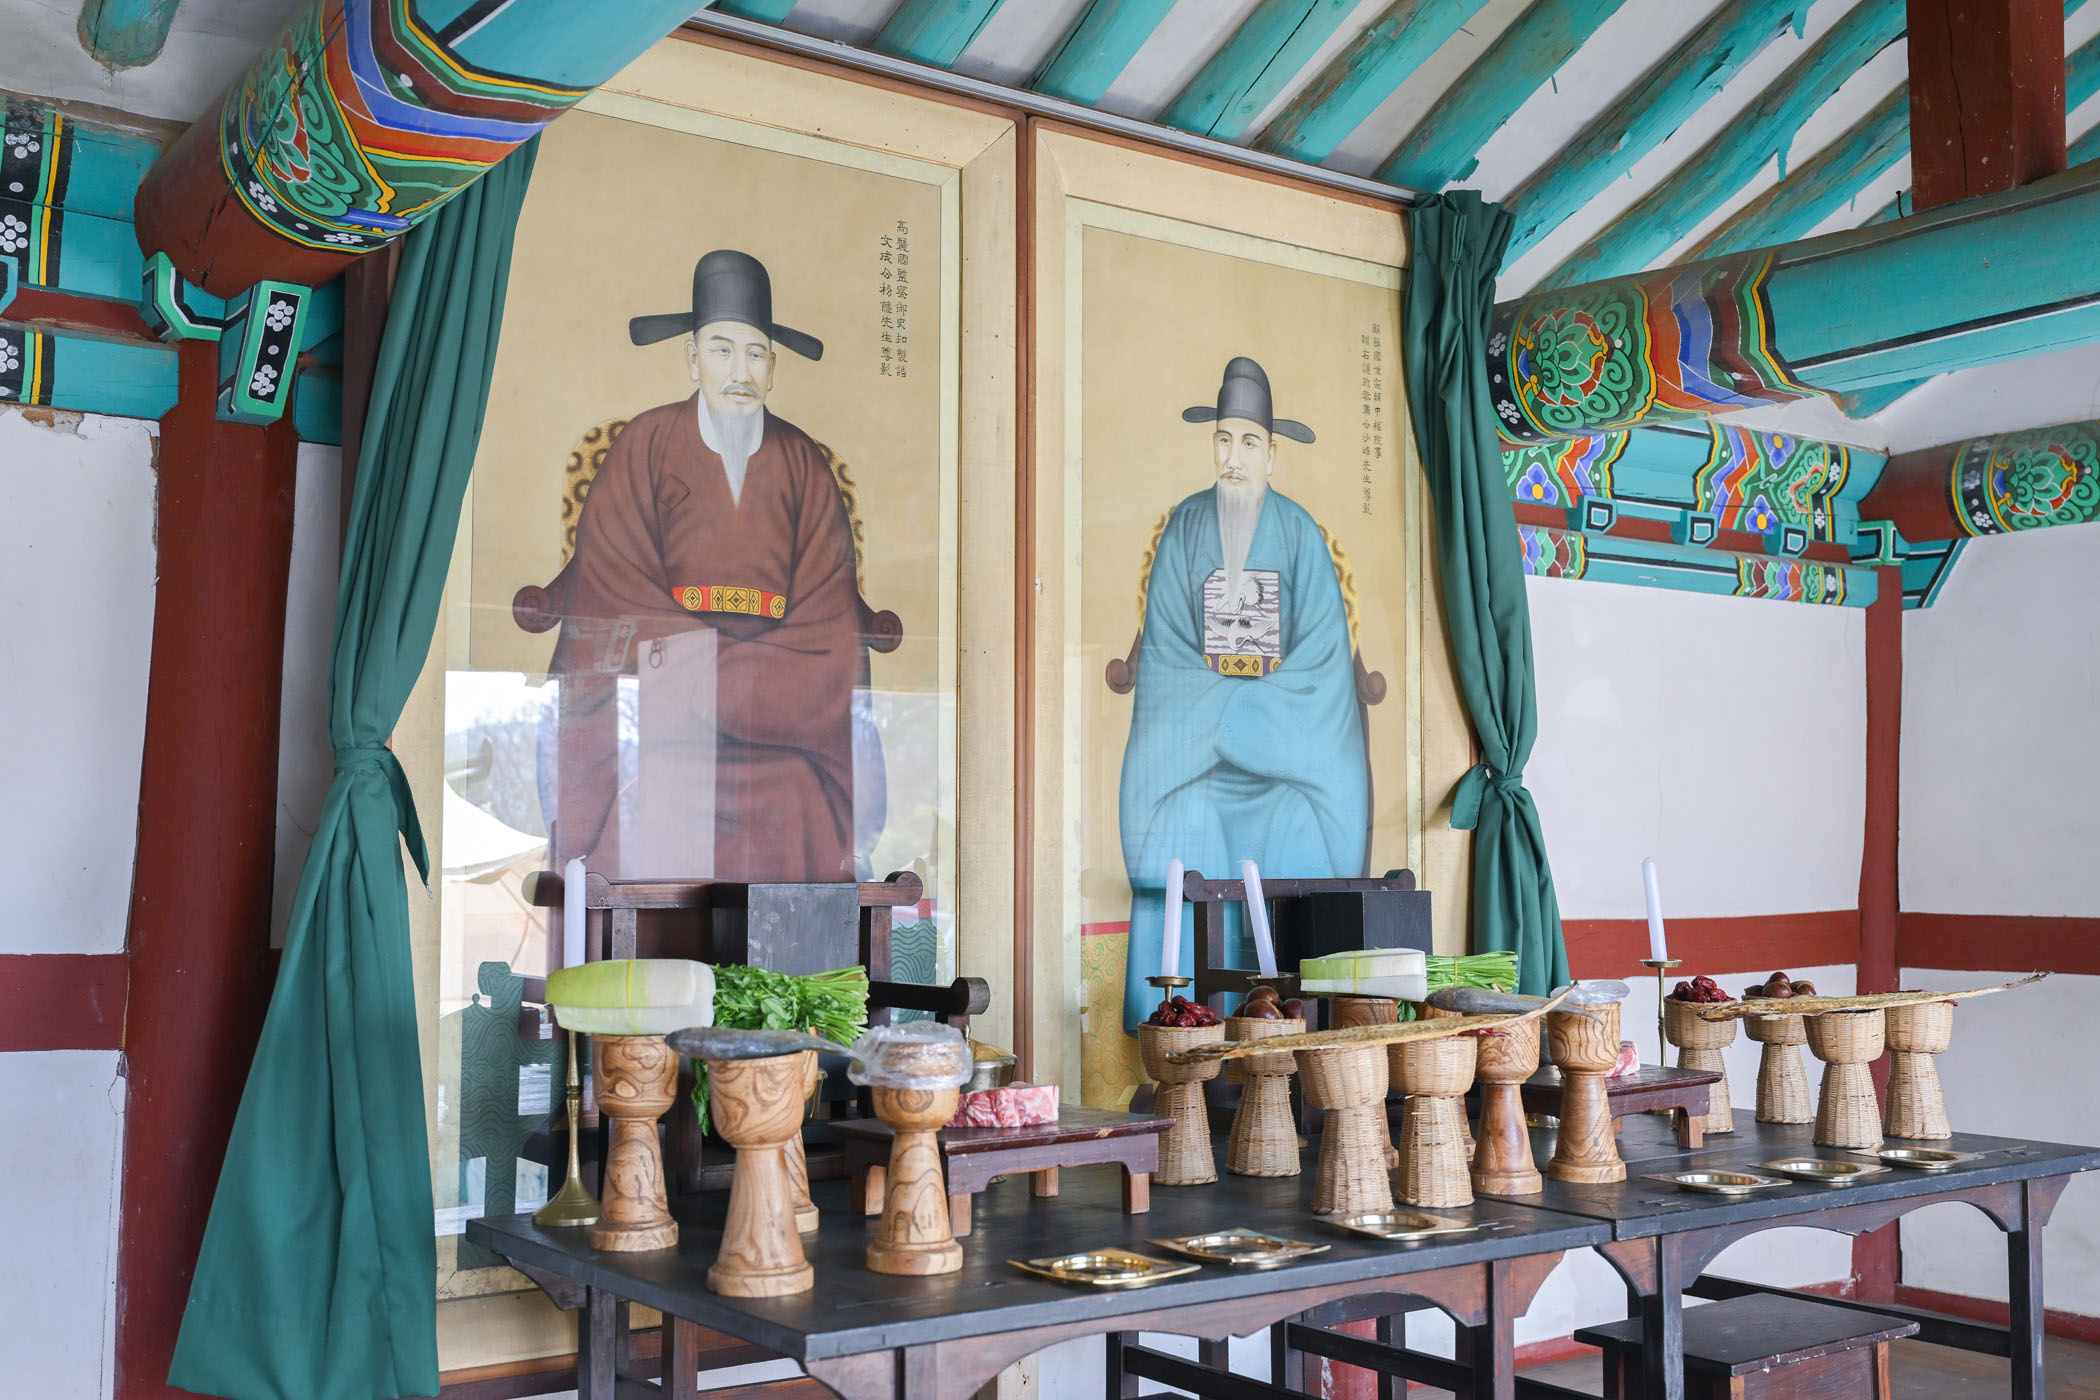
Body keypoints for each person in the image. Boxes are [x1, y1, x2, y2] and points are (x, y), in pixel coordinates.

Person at [544, 249, 861, 881]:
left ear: (773, 369)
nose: (740, 372)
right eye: (721, 350)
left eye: (755, 354)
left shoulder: (804, 464)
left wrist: (743, 686)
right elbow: (612, 582)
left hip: (780, 731)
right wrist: (706, 676)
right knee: (650, 786)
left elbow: (829, 617)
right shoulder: (644, 445)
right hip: (661, 720)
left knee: (800, 793)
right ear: (692, 358)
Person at [1118, 357, 1369, 1029]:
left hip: (1287, 769)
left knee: (1301, 831)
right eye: (1224, 440)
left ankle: (1290, 1027)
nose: (1234, 457)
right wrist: (1228, 707)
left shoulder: (1301, 536)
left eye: (1249, 442)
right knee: (1178, 831)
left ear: (1272, 455)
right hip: (1194, 767)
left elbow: (1321, 674)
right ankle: (1186, 1033)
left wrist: (1234, 709)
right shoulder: (1185, 528)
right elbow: (1167, 664)